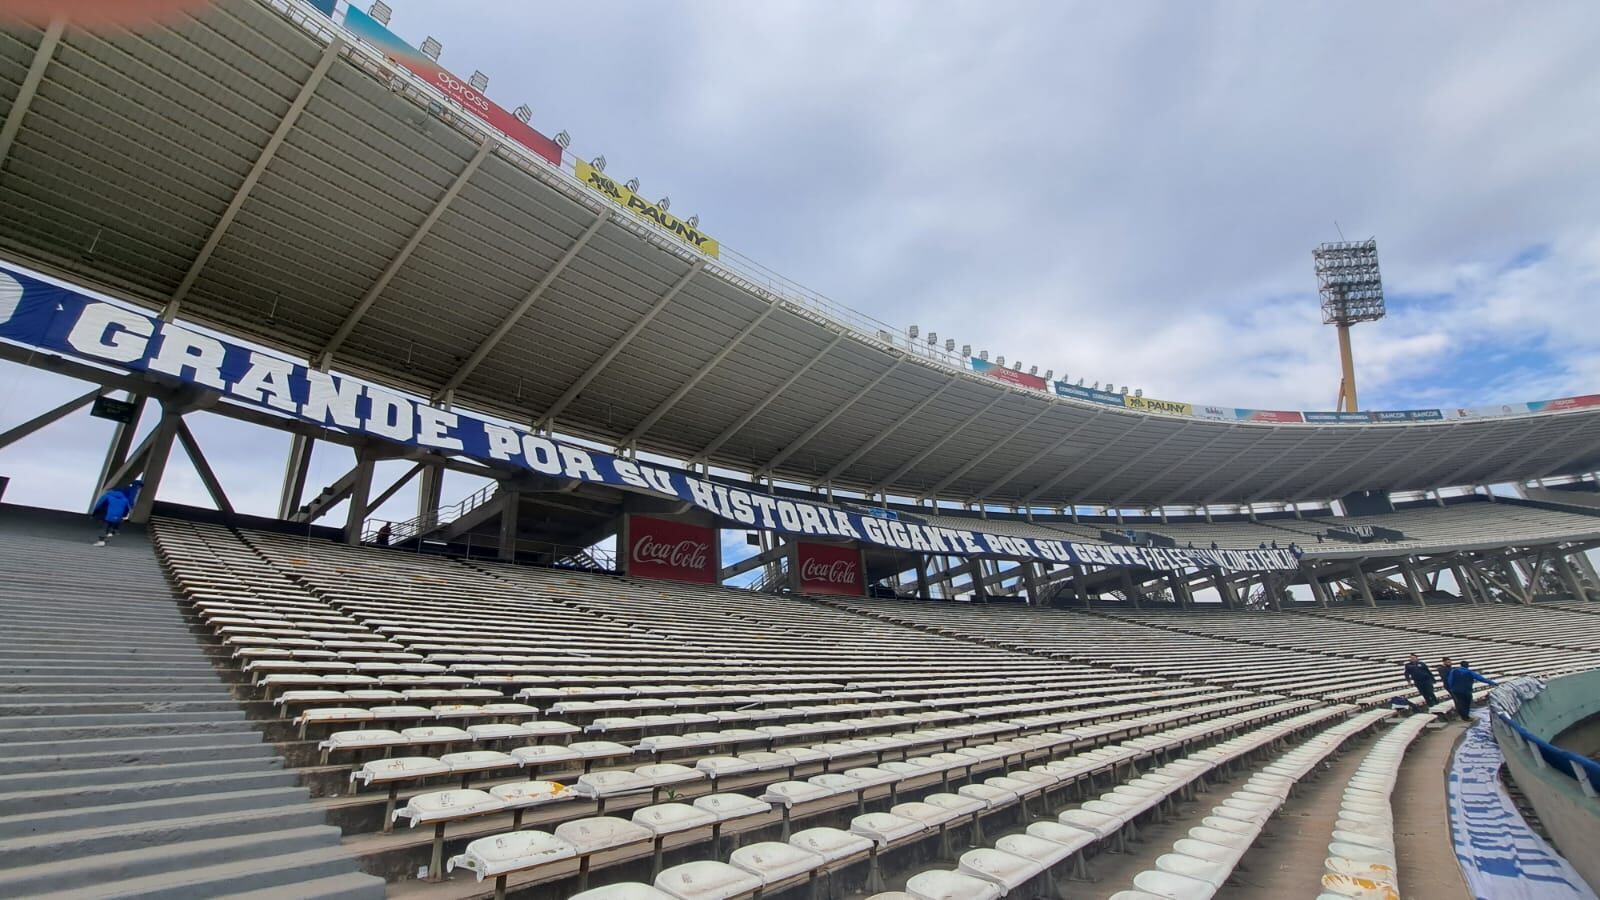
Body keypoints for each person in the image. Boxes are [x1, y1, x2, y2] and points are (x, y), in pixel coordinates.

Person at [90, 479, 142, 546]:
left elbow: (99, 504)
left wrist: (94, 513)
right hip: (117, 516)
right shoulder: (124, 499)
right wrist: (123, 516)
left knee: (103, 526)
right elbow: (127, 509)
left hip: (106, 514)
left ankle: (101, 541)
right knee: (110, 526)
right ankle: (109, 535)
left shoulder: (107, 495)